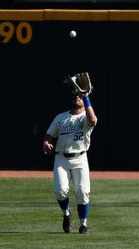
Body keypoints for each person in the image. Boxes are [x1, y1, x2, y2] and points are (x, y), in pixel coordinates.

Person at [43, 91, 97, 234]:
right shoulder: (61, 117)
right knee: (60, 192)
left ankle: (83, 225)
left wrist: (86, 97)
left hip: (80, 158)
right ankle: (66, 214)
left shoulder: (86, 115)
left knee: (82, 191)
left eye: (79, 96)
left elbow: (92, 120)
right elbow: (49, 135)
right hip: (61, 158)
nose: (76, 97)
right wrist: (46, 142)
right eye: (75, 95)